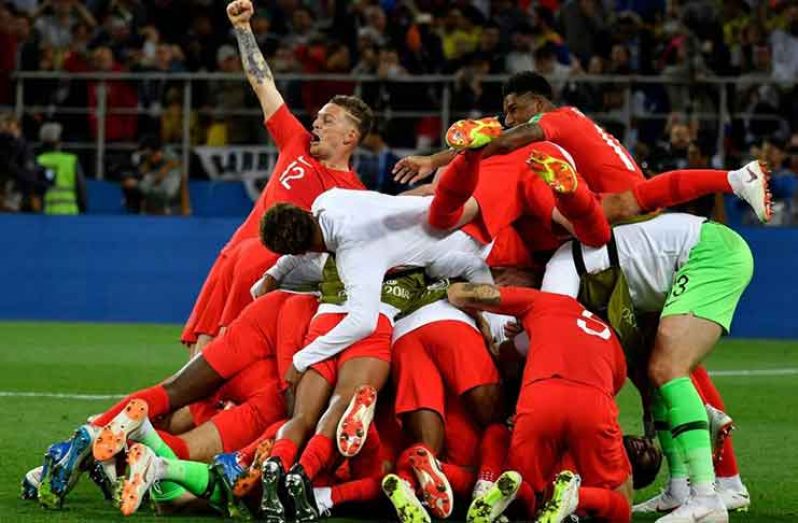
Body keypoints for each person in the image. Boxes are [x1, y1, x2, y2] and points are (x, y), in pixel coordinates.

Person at [182, 0, 372, 353]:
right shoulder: (295, 142)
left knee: (229, 346)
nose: (316, 122)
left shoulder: (354, 195)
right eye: (318, 117)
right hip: (238, 249)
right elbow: (262, 84)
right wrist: (243, 29)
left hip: (272, 265)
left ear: (350, 137)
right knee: (202, 341)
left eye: (328, 120)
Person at [541, 212, 753, 522]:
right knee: (654, 379)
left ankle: (707, 498)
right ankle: (680, 488)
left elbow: (553, 323)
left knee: (668, 369)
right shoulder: (579, 257)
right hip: (702, 250)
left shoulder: (561, 265)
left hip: (709, 252)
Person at [392, 72, 772, 224]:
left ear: (538, 105)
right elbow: (491, 137)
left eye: (514, 109)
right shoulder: (564, 120)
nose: (507, 118)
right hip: (621, 196)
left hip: (627, 205)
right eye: (504, 110)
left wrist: (451, 157)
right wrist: (431, 159)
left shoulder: (551, 123)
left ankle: (737, 178)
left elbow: (498, 142)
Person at [447, 282, 633, 523]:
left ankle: (494, 494)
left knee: (521, 485)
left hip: (541, 396)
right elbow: (612, 389)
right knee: (621, 504)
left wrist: (461, 299)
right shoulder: (612, 341)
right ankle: (577, 497)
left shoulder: (546, 302)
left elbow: (470, 295)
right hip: (593, 401)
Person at [36, 122, 86, 215]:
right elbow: (81, 190)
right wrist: (82, 210)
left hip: (45, 216)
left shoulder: (38, 161)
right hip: (70, 213)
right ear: (59, 141)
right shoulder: (71, 160)